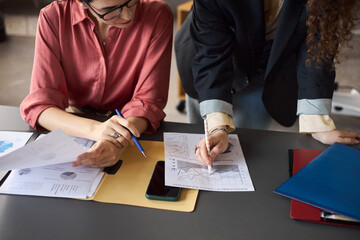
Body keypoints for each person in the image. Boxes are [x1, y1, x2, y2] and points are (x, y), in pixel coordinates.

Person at [175, 0, 360, 167]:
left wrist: (318, 123)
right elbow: (211, 54)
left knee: (246, 147)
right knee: (205, 140)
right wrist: (217, 126)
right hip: (208, 54)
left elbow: (316, 45)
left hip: (268, 58)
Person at [20, 0, 173, 167]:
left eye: (131, 2)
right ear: (81, 2)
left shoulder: (157, 14)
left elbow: (148, 101)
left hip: (134, 124)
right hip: (80, 120)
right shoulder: (54, 17)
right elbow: (40, 107)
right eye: (110, 10)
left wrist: (116, 140)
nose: (128, 15)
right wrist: (96, 130)